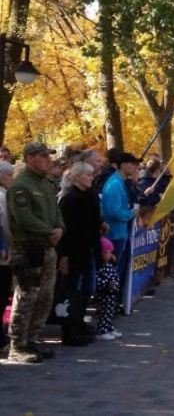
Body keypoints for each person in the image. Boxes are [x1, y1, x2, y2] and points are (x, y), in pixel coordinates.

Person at [7, 142, 65, 364]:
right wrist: (48, 231)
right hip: (29, 248)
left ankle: (32, 338)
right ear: (30, 158)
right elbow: (24, 217)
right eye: (43, 156)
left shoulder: (47, 184)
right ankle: (18, 345)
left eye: (49, 156)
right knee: (27, 296)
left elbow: (56, 211)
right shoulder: (20, 185)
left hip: (48, 247)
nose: (48, 160)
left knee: (45, 296)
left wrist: (59, 229)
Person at [58, 162, 102, 346]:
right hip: (73, 251)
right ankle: (69, 329)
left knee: (86, 290)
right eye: (88, 175)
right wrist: (65, 255)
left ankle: (79, 322)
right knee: (71, 291)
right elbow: (67, 230)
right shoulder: (69, 199)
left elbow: (92, 222)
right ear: (77, 177)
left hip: (88, 249)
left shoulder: (89, 196)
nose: (92, 178)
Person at [101, 152, 138, 287]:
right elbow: (114, 212)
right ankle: (110, 303)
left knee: (117, 270)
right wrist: (132, 213)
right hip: (115, 234)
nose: (135, 167)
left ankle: (114, 302)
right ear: (123, 165)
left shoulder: (119, 182)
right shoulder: (115, 184)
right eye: (132, 164)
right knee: (113, 271)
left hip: (120, 232)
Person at [0, 160, 15, 349]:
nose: (12, 179)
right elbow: (3, 225)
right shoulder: (1, 196)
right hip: (4, 252)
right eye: (9, 176)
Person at [95, 237, 122, 341]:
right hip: (105, 293)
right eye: (108, 252)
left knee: (110, 312)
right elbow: (97, 279)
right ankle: (102, 330)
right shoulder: (100, 266)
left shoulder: (108, 264)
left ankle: (109, 328)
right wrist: (106, 284)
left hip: (112, 293)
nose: (110, 255)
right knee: (105, 312)